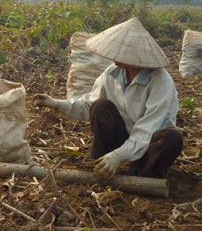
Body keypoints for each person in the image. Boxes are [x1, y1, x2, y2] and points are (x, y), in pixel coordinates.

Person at [35, 17, 183, 179]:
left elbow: (148, 129)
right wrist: (56, 104)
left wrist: (118, 156)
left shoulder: (160, 81)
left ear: (134, 56)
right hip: (123, 137)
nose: (115, 55)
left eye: (121, 52)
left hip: (150, 143)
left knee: (171, 139)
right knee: (100, 107)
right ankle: (101, 163)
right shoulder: (113, 73)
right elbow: (89, 104)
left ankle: (144, 172)